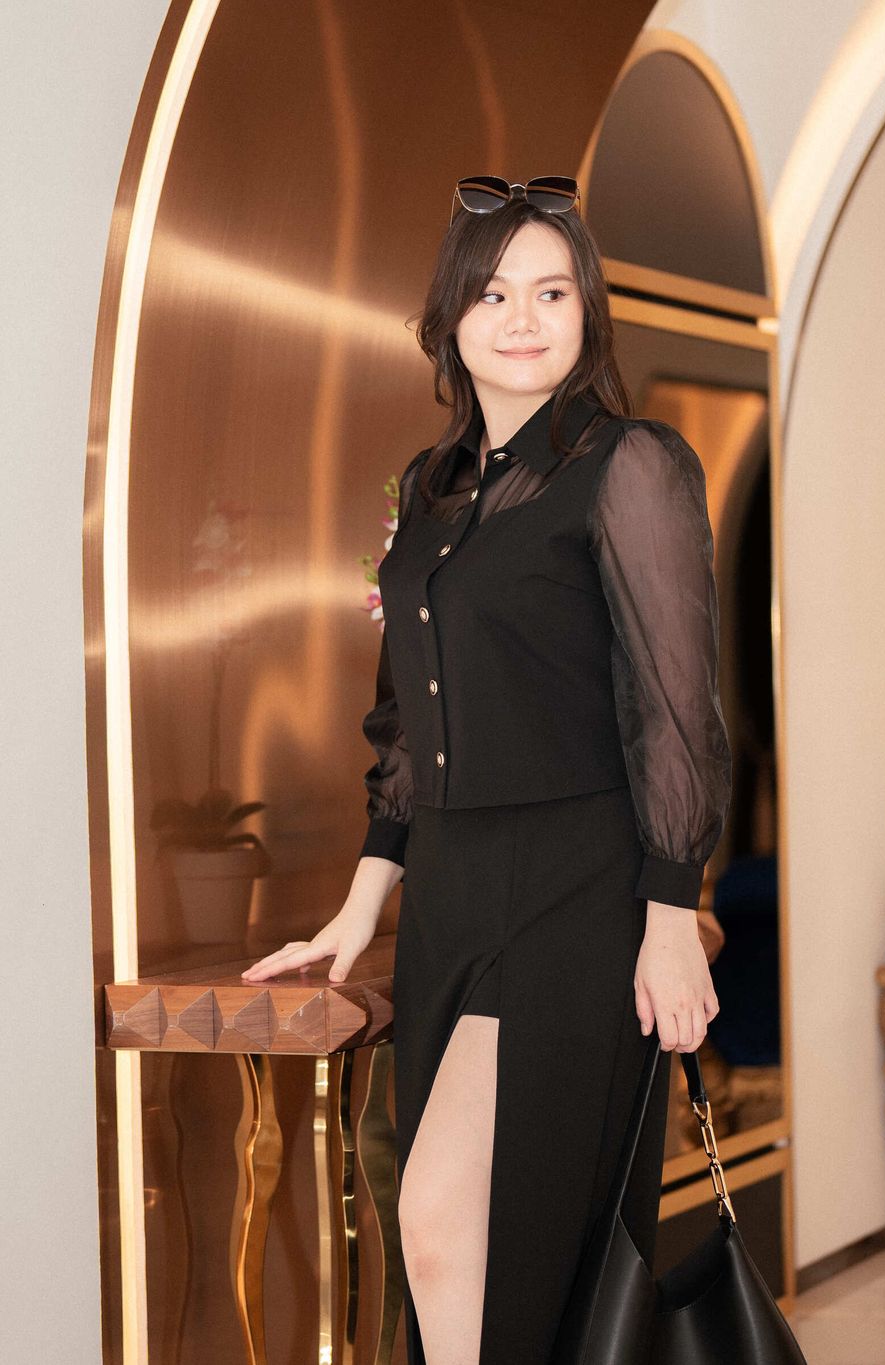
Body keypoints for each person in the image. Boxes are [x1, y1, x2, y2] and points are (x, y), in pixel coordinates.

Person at [243, 175, 732, 1365]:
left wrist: (671, 912)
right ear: (450, 320)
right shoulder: (432, 487)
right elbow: (408, 725)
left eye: (552, 290)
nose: (523, 317)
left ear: (587, 313)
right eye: (494, 291)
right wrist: (361, 910)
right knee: (451, 1241)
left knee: (481, 1231)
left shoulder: (630, 464)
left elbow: (676, 706)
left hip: (577, 883)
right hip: (455, 892)